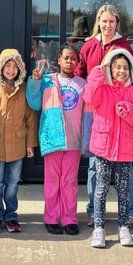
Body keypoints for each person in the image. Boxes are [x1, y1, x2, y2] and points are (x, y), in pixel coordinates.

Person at [75, 3, 133, 227]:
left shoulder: (124, 46)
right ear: (98, 22)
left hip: (121, 112)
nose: (108, 25)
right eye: (104, 21)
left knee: (125, 165)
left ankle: (131, 211)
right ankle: (94, 211)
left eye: (112, 21)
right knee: (95, 164)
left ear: (117, 23)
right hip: (96, 112)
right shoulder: (89, 47)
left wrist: (130, 105)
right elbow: (79, 76)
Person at [84, 47, 133, 249]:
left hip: (124, 150)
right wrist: (97, 73)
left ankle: (123, 225)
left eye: (125, 67)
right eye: (117, 67)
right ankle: (99, 227)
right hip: (103, 148)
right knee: (101, 189)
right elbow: (89, 98)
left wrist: (127, 110)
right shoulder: (102, 88)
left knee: (123, 190)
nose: (121, 71)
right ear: (110, 68)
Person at [27, 44, 86, 235]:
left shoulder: (82, 84)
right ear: (59, 60)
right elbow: (34, 103)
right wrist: (34, 82)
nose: (69, 61)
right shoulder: (47, 81)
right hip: (52, 139)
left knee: (69, 181)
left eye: (73, 58)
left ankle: (69, 218)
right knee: (52, 181)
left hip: (74, 141)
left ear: (77, 62)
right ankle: (51, 217)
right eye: (66, 58)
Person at [0, 48, 38, 234]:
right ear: (1, 68)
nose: (11, 70)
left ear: (20, 69)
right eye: (8, 66)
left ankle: (11, 215)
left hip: (18, 145)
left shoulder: (24, 90)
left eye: (15, 66)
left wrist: (30, 143)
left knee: (13, 183)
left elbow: (30, 118)